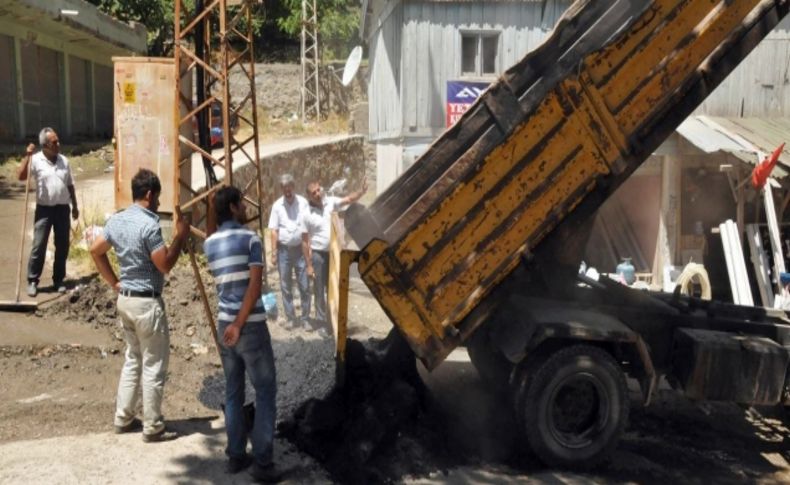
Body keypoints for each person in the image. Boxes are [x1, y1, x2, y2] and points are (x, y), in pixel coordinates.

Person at [89, 168, 189, 442]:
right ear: (148, 194)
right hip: (147, 303)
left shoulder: (117, 221)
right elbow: (165, 264)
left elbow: (95, 250)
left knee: (133, 359)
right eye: (157, 198)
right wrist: (180, 236)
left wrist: (114, 282)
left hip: (126, 301)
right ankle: (153, 426)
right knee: (154, 364)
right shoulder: (149, 225)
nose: (158, 203)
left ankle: (124, 417)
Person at [205, 186, 282, 482]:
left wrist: (232, 325)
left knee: (233, 390)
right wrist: (240, 323)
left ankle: (235, 456)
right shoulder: (252, 239)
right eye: (242, 204)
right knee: (265, 391)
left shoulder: (210, 244)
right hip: (247, 325)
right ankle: (262, 463)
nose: (247, 209)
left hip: (225, 326)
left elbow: (212, 231)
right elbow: (254, 287)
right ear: (235, 207)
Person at [17, 127, 79, 296]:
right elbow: (21, 176)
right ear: (45, 145)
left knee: (62, 246)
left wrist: (75, 205)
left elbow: (70, 184)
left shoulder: (64, 161)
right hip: (44, 209)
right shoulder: (35, 160)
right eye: (54, 142)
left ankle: (58, 280)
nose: (58, 144)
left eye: (58, 141)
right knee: (39, 245)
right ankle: (32, 281)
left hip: (62, 209)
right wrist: (27, 156)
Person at [302, 177, 367, 328]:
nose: (318, 193)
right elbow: (305, 241)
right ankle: (322, 321)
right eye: (314, 192)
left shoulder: (330, 202)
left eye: (319, 190)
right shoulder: (306, 214)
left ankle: (334, 320)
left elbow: (348, 199)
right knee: (319, 288)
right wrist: (309, 265)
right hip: (318, 255)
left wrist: (361, 191)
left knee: (334, 286)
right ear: (309, 196)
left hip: (334, 253)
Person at [268, 174, 310, 328]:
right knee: (285, 286)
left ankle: (305, 319)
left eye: (289, 188)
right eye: (284, 189)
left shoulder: (303, 203)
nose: (287, 192)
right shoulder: (277, 206)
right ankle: (291, 318)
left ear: (293, 187)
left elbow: (308, 228)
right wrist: (273, 253)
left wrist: (309, 249)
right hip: (283, 251)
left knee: (304, 284)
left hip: (300, 250)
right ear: (282, 190)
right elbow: (274, 231)